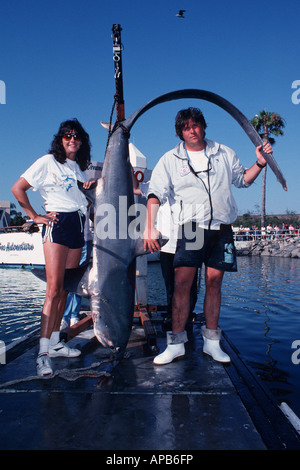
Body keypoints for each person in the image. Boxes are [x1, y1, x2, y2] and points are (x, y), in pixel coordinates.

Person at [143, 107, 273, 365]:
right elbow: (154, 193)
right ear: (180, 132)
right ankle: (176, 343)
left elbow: (243, 180)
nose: (192, 130)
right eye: (186, 127)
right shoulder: (170, 159)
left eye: (196, 125)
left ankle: (212, 343)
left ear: (203, 126)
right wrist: (149, 226)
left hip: (221, 229)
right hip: (191, 228)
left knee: (215, 285)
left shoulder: (224, 152)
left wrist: (259, 162)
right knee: (182, 285)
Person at [11, 119, 93, 377]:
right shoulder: (47, 162)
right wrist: (34, 215)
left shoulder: (79, 168)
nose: (72, 140)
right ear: (60, 140)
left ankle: (56, 342)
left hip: (78, 226)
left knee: (66, 290)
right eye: (68, 136)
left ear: (82, 141)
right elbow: (18, 188)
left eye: (77, 137)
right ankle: (42, 354)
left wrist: (87, 189)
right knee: (53, 289)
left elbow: (80, 199)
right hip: (57, 225)